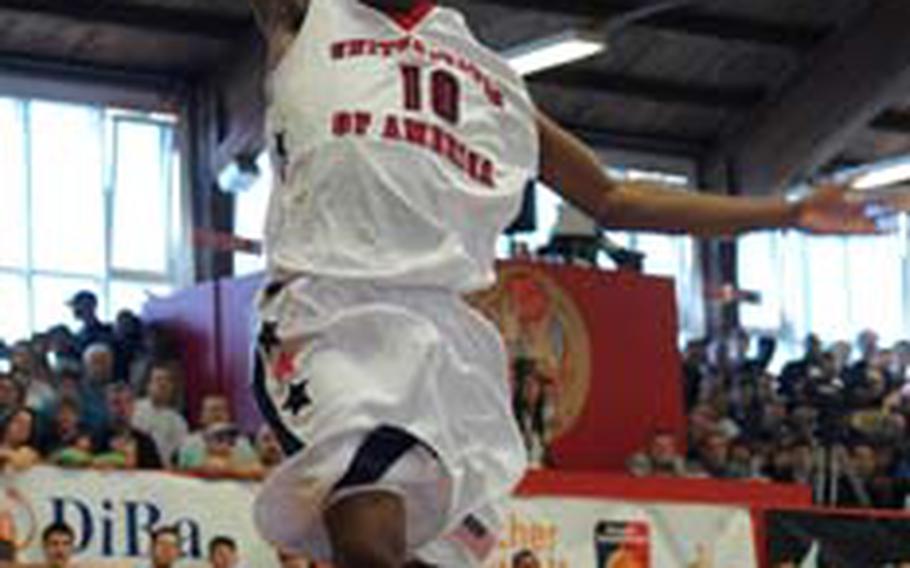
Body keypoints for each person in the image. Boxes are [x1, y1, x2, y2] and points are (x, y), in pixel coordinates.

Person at [247, 0, 894, 566]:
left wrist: (786, 212)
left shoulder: (492, 83)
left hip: (448, 342)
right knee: (367, 538)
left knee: (414, 555)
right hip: (328, 312)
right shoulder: (306, 15)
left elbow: (617, 199)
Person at [133, 362, 188, 467]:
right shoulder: (133, 409)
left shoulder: (179, 421)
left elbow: (180, 455)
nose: (163, 384)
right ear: (148, 385)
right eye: (158, 379)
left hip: (162, 471)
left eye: (168, 380)